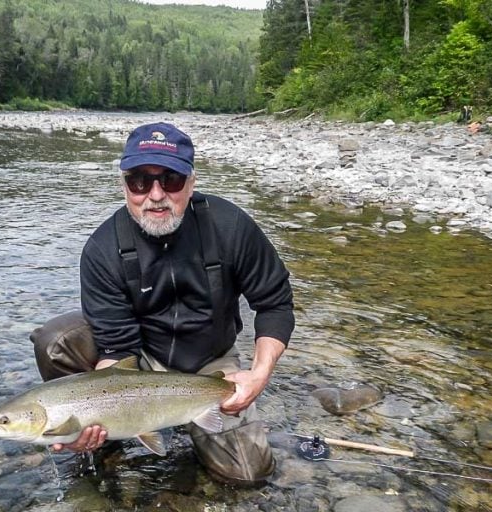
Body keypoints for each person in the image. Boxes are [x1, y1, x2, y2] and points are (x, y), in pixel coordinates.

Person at [30, 122, 294, 485]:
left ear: (191, 182)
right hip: (140, 361)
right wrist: (84, 416)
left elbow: (275, 303)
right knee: (56, 341)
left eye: (170, 180)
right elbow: (117, 347)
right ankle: (106, 438)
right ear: (125, 185)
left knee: (247, 474)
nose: (155, 195)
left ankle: (184, 418)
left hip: (210, 363)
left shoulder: (230, 226)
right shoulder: (102, 249)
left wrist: (259, 374)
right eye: (139, 181)